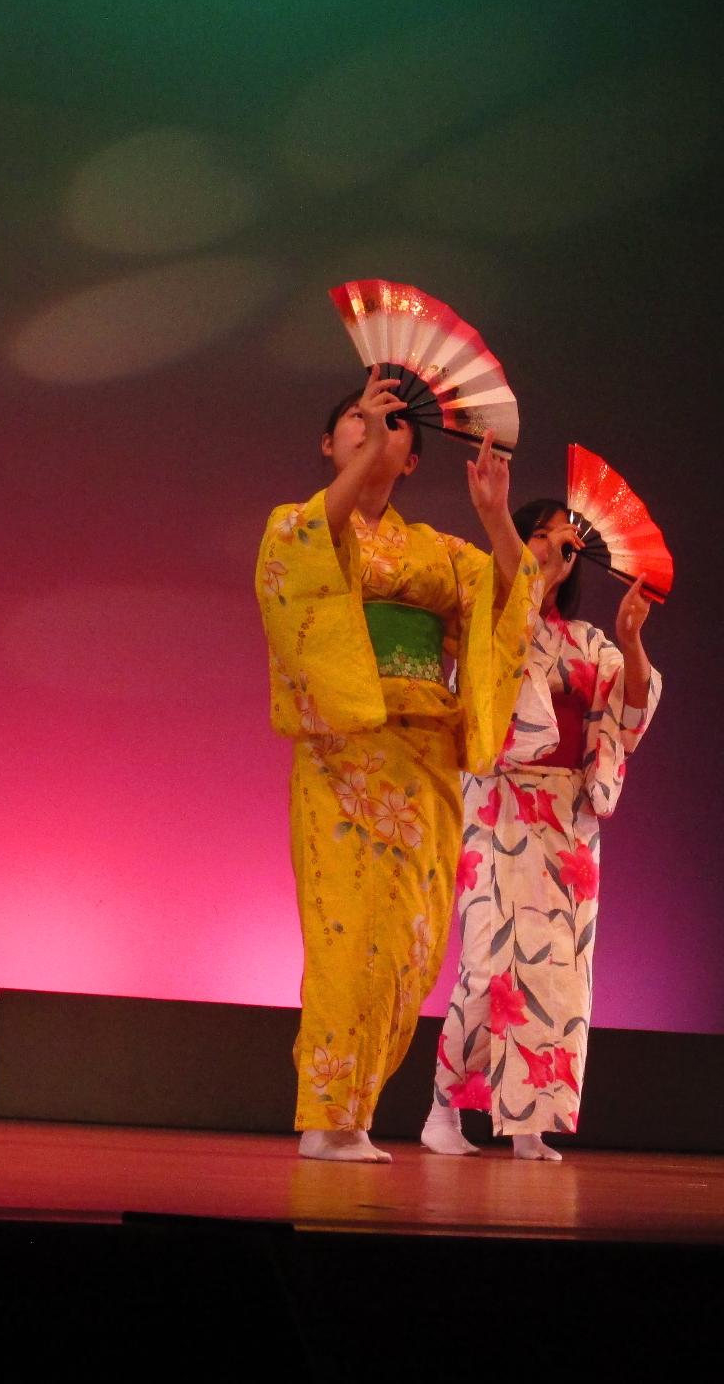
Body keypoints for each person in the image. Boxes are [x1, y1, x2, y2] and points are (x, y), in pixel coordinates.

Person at [257, 378, 538, 1161]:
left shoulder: (441, 553)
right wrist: (364, 463)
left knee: (412, 945)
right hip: (346, 753)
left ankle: (355, 1111)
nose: (372, 428)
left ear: (414, 458)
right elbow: (297, 566)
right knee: (347, 935)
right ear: (330, 444)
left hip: (423, 759)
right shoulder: (302, 526)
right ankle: (326, 1114)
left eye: (390, 425)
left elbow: (512, 597)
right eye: (354, 417)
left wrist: (493, 518)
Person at [422, 498, 661, 1160]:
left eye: (565, 541)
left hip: (566, 817)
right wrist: (537, 579)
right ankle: (444, 1109)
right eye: (540, 536)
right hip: (501, 806)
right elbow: (493, 682)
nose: (556, 547)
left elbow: (628, 708)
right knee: (489, 963)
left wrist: (634, 640)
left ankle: (529, 1119)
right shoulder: (493, 621)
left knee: (556, 970)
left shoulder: (587, 640)